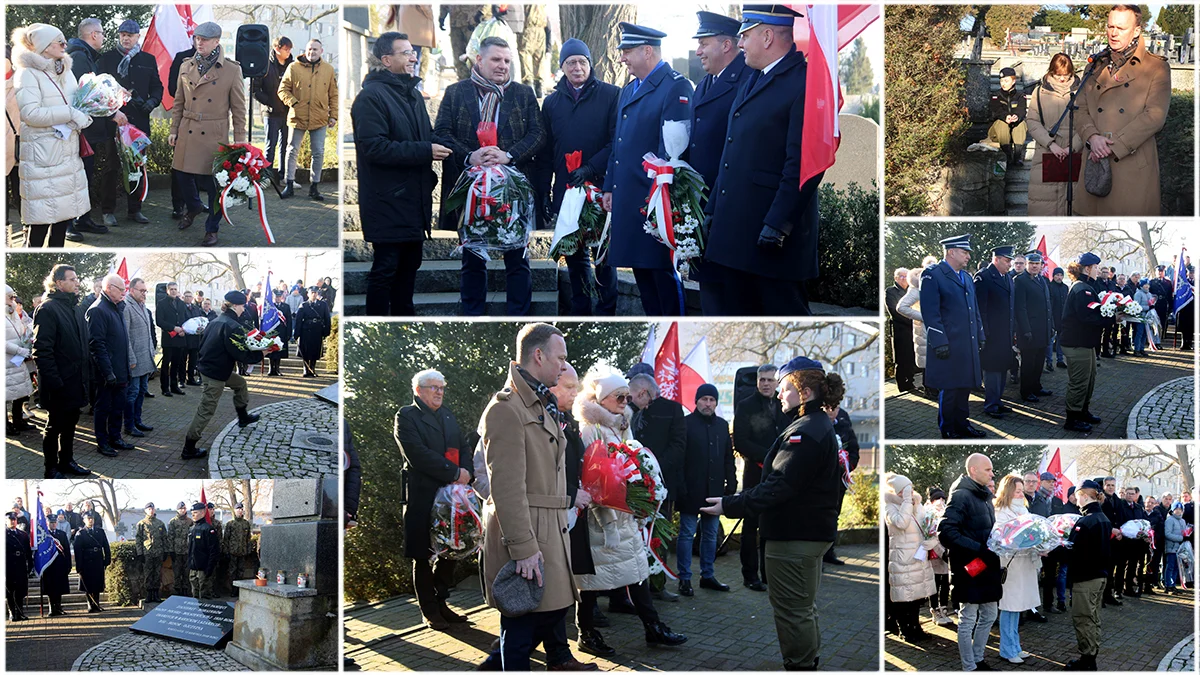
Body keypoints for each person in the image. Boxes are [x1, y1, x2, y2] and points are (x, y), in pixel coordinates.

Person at [701, 356, 844, 670]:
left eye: (784, 388)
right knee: (803, 607)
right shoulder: (812, 423)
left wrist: (730, 504)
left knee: (793, 609)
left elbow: (780, 486)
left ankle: (800, 664)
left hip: (794, 534)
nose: (779, 393)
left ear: (803, 391)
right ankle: (807, 660)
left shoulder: (805, 430)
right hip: (804, 532)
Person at [701, 5, 821, 316]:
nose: (740, 43)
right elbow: (731, 153)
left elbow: (803, 163)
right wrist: (713, 209)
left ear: (767, 36)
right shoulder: (753, 78)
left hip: (770, 239)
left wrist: (778, 223)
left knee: (783, 315)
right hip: (736, 233)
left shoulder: (804, 83)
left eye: (745, 35)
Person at [476, 324, 577, 671]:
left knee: (545, 618)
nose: (564, 366)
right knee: (519, 632)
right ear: (539, 355)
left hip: (548, 529)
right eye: (560, 358)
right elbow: (505, 486)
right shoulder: (506, 408)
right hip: (528, 534)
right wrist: (523, 547)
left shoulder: (537, 401)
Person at [571, 369, 687, 658]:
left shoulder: (621, 425)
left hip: (625, 514)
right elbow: (593, 480)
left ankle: (653, 627)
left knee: (637, 571)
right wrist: (608, 522)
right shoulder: (590, 428)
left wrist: (642, 501)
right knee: (591, 580)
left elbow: (633, 464)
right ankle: (586, 633)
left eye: (627, 395)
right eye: (619, 396)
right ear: (602, 398)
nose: (626, 400)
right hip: (603, 518)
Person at [433, 35, 544, 316]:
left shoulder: (523, 94)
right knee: (472, 258)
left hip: (512, 191)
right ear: (479, 60)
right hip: (471, 190)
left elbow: (538, 133)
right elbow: (442, 132)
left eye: (507, 60)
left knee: (517, 258)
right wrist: (471, 156)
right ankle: (472, 313)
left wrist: (509, 156)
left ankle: (518, 314)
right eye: (496, 59)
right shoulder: (456, 93)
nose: (503, 66)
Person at [352, 32, 448, 316]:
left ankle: (404, 316)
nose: (413, 57)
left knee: (409, 269)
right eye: (405, 53)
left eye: (412, 52)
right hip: (387, 201)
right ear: (386, 60)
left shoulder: (414, 96)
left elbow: (427, 137)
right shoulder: (370, 97)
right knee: (385, 271)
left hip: (414, 201)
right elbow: (374, 147)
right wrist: (425, 151)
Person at [601, 22, 693, 316]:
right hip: (629, 198)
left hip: (655, 201)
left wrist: (662, 199)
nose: (622, 58)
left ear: (647, 51)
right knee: (642, 274)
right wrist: (609, 186)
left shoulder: (675, 85)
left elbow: (674, 149)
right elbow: (618, 144)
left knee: (661, 275)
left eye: (627, 51)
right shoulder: (629, 89)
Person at [536, 37, 619, 315]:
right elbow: (547, 151)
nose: (577, 67)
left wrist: (591, 168)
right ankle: (581, 308)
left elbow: (615, 142)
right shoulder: (551, 103)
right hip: (567, 189)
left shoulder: (611, 95)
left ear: (590, 64)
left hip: (600, 187)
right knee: (575, 254)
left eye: (582, 61)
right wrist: (544, 192)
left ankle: (607, 308)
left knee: (604, 255)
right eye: (571, 62)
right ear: (562, 67)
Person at [394, 368, 473, 631]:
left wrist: (467, 472)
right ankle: (429, 610)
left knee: (451, 548)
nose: (439, 392)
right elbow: (417, 453)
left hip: (452, 496)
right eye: (433, 387)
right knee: (423, 554)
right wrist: (453, 472)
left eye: (442, 387)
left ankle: (442, 602)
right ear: (418, 390)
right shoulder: (406, 415)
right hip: (423, 494)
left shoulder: (448, 416)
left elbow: (463, 445)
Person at [1073, 5, 1170, 217]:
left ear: (1136, 30)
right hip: (1094, 161)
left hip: (1130, 165)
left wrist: (1112, 146)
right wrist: (1092, 137)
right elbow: (1079, 108)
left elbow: (1155, 116)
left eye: (1121, 28)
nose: (1113, 33)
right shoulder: (1094, 66)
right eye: (1110, 26)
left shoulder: (1156, 67)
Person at [13, 23, 96, 246]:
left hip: (67, 153)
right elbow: (30, 114)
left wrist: (88, 112)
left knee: (62, 223)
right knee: (39, 228)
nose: (64, 45)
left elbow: (79, 103)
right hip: (43, 157)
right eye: (59, 41)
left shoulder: (65, 70)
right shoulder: (27, 73)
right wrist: (70, 113)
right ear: (44, 47)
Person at [170, 21, 248, 246]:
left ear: (216, 41)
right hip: (188, 127)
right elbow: (179, 101)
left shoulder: (232, 70)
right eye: (197, 38)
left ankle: (212, 228)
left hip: (214, 133)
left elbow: (239, 108)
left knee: (215, 185)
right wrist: (174, 129)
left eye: (204, 39)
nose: (199, 42)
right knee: (182, 175)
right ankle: (194, 206)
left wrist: (240, 138)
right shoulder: (186, 66)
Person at [546, 363, 599, 671]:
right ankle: (556, 654)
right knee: (552, 588)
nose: (575, 393)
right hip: (552, 512)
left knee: (562, 586)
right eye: (568, 387)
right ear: (552, 385)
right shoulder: (538, 416)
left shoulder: (565, 418)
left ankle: (558, 653)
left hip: (571, 512)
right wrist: (569, 493)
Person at [182, 291, 267, 459]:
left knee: (240, 384)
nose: (244, 309)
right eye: (243, 306)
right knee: (206, 410)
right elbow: (240, 354)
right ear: (235, 306)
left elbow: (203, 345)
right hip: (215, 374)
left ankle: (243, 417)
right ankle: (189, 447)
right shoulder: (231, 325)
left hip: (214, 368)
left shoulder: (216, 321)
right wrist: (262, 354)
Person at [938, 453, 1002, 672]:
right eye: (988, 470)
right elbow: (945, 532)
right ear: (973, 470)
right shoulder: (961, 495)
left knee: (990, 614)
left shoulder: (984, 496)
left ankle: (978, 658)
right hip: (969, 568)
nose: (992, 473)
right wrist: (979, 548)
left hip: (987, 566)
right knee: (968, 619)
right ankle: (969, 666)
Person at [96, 20, 161, 224]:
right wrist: (111, 112)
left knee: (137, 166)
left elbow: (157, 87)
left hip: (139, 124)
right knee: (112, 167)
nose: (126, 38)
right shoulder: (106, 59)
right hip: (114, 122)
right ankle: (108, 210)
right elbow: (98, 89)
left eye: (130, 35)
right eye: (123, 34)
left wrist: (151, 102)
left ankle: (135, 209)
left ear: (137, 37)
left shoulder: (148, 59)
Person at [921, 235, 985, 438]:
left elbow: (974, 309)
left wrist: (980, 333)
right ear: (951, 252)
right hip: (948, 343)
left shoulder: (966, 277)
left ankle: (962, 424)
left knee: (964, 386)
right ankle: (947, 428)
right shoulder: (933, 275)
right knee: (949, 389)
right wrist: (939, 342)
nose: (968, 256)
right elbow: (930, 313)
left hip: (967, 343)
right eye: (965, 252)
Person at [32, 265, 92, 478]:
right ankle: (51, 468)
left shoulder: (76, 308)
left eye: (77, 279)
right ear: (59, 283)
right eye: (72, 279)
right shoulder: (47, 309)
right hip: (59, 384)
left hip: (76, 381)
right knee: (54, 427)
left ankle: (67, 461)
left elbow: (82, 345)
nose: (77, 282)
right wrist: (56, 382)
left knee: (70, 425)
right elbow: (41, 351)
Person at [68, 17, 126, 236]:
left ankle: (83, 218)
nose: (103, 37)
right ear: (93, 35)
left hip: (88, 131)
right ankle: (69, 224)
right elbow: (85, 97)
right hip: (80, 132)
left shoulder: (85, 56)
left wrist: (116, 98)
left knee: (86, 176)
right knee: (77, 177)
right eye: (101, 33)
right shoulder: (79, 57)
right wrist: (112, 110)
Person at [677, 383, 736, 595]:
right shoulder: (685, 424)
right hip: (690, 490)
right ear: (696, 401)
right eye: (704, 399)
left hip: (714, 490)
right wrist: (681, 487)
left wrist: (732, 481)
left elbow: (729, 457)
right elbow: (680, 459)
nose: (708, 404)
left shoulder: (722, 425)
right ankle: (684, 578)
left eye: (712, 400)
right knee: (686, 534)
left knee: (711, 535)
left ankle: (707, 575)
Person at [732, 364, 784, 592]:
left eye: (770, 380)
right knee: (750, 525)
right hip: (755, 472)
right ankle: (750, 575)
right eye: (762, 379)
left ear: (777, 383)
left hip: (779, 474)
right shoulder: (745, 406)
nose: (765, 383)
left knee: (772, 525)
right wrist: (768, 457)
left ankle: (768, 574)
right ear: (757, 382)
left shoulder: (784, 406)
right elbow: (740, 441)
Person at [688, 12, 748, 192]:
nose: (698, 52)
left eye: (703, 44)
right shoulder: (704, 84)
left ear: (726, 45)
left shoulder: (748, 80)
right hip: (701, 195)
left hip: (728, 192)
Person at [1061, 254, 1117, 432]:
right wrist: (1112, 318)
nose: (1098, 270)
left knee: (1089, 378)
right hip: (1077, 343)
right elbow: (1088, 318)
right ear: (1086, 269)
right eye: (1095, 267)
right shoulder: (1082, 289)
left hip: (1085, 343)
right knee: (1079, 381)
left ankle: (1082, 411)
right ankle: (1072, 418)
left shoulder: (1086, 287)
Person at [278, 39, 336, 201]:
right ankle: (289, 183)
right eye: (310, 49)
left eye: (315, 49)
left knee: (318, 152)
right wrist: (293, 103)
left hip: (320, 117)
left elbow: (334, 94)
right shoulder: (293, 67)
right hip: (298, 116)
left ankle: (314, 187)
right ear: (305, 50)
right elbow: (283, 90)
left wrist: (333, 115)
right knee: (292, 150)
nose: (312, 52)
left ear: (321, 51)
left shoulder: (328, 70)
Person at [1024, 54, 1082, 216]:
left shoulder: (1082, 92)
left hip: (1075, 154)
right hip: (1046, 153)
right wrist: (1051, 144)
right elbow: (1033, 122)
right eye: (1058, 75)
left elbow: (1087, 122)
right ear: (1051, 72)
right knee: (1044, 205)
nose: (1062, 79)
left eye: (1066, 75)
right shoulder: (1039, 93)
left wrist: (1074, 146)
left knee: (1073, 204)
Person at [1063, 480, 1111, 670]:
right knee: (1093, 617)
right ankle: (1091, 655)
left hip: (1086, 577)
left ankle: (1087, 660)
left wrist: (1051, 550)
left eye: (1077, 495)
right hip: (1099, 575)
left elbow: (1073, 550)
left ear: (1083, 495)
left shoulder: (1087, 520)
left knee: (1084, 619)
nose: (1075, 499)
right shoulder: (1102, 518)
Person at [993, 474, 1041, 664]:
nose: (1022, 494)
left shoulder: (1023, 510)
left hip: (1025, 563)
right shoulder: (1001, 511)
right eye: (1018, 491)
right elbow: (1001, 538)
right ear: (1008, 491)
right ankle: (1006, 649)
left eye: (1022, 491)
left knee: (1018, 607)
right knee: (1009, 607)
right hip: (1011, 564)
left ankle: (1015, 646)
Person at [86, 274, 133, 458]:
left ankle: (115, 437)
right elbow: (97, 345)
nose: (124, 293)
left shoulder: (116, 307)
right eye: (121, 289)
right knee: (103, 407)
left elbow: (120, 340)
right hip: (107, 372)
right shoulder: (98, 310)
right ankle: (102, 442)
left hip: (120, 369)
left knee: (118, 406)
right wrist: (108, 373)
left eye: (124, 289)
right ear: (109, 288)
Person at [885, 473, 935, 643]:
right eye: (907, 490)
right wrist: (907, 502)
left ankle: (916, 626)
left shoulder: (917, 505)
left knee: (917, 596)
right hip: (902, 559)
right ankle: (904, 629)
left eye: (912, 489)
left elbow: (925, 525)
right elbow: (901, 523)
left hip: (918, 557)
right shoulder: (889, 507)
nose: (911, 493)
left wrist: (932, 537)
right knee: (903, 598)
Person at [973, 246, 1014, 419]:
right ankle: (990, 404)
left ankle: (998, 401)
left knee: (1003, 367)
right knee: (992, 370)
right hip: (991, 333)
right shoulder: (984, 277)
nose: (1009, 264)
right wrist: (984, 333)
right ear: (996, 259)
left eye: (1010, 261)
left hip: (1005, 332)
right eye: (1007, 261)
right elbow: (980, 309)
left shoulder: (1008, 278)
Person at [1013, 251, 1054, 402]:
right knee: (1028, 364)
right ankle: (1026, 391)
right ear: (1026, 264)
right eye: (1031, 264)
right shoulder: (1020, 280)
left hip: (1043, 330)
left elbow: (1048, 306)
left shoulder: (1043, 280)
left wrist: (1051, 326)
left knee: (1039, 362)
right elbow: (1020, 308)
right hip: (1029, 331)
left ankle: (1036, 386)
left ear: (1041, 265)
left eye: (1037, 264)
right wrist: (1026, 330)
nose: (1034, 266)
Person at [254, 36, 293, 183]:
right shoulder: (265, 65)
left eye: (290, 49)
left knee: (286, 146)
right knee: (271, 145)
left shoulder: (292, 66)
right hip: (270, 113)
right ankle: (266, 177)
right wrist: (270, 103)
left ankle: (284, 176)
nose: (288, 52)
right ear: (277, 48)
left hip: (288, 113)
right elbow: (255, 90)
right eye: (286, 49)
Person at [121, 278, 155, 439]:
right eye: (141, 291)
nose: (144, 294)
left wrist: (152, 351)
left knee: (141, 391)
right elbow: (125, 336)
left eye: (145, 291)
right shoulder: (127, 306)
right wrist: (130, 358)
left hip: (145, 357)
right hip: (135, 360)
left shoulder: (142, 306)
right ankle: (129, 425)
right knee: (132, 393)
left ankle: (137, 420)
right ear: (131, 290)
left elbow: (148, 333)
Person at [6, 286, 35, 435]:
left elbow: (22, 331)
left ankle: (18, 421)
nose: (13, 301)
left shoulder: (14, 315)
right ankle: (5, 425)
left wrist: (28, 339)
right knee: (5, 396)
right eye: (10, 297)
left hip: (18, 361)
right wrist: (19, 350)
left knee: (20, 392)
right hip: (6, 362)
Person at [988, 67, 1027, 167]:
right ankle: (1007, 156)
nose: (1003, 83)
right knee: (1002, 123)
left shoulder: (1020, 96)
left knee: (1021, 124)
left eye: (1006, 80)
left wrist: (1016, 117)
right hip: (997, 132)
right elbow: (996, 111)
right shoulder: (995, 96)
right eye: (1001, 81)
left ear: (1013, 81)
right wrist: (1005, 117)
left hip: (1014, 130)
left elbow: (1022, 110)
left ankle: (1017, 156)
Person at [74, 511, 110, 612]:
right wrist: (79, 566)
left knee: (98, 582)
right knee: (88, 583)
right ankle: (90, 604)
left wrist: (107, 559)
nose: (90, 520)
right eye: (88, 519)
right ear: (84, 520)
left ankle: (97, 604)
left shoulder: (100, 531)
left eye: (92, 519)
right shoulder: (81, 533)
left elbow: (106, 546)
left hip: (98, 559)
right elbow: (77, 551)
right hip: (86, 561)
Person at [156, 283, 187, 397]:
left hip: (180, 338)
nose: (173, 291)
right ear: (167, 290)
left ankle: (174, 386)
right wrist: (173, 328)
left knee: (176, 364)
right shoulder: (162, 303)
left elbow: (185, 319)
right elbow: (159, 321)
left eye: (175, 289)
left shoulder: (181, 303)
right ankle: (165, 388)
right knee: (166, 364)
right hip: (168, 339)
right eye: (171, 289)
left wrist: (184, 330)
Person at [887, 268, 916, 392]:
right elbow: (894, 311)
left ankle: (910, 382)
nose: (904, 279)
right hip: (900, 330)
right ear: (896, 278)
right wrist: (913, 320)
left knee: (912, 357)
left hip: (913, 330)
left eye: (906, 276)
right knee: (901, 358)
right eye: (901, 276)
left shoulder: (911, 291)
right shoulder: (890, 291)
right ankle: (902, 386)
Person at [134, 502, 167, 602]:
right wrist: (140, 553)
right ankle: (148, 594)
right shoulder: (141, 524)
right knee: (148, 574)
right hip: (147, 553)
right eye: (149, 509)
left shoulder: (160, 523)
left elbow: (164, 538)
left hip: (158, 552)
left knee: (157, 574)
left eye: (152, 509)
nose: (151, 511)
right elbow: (138, 539)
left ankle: (156, 594)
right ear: (145, 511)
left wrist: (165, 551)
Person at [187, 502, 220, 599]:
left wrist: (209, 568)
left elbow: (214, 551)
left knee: (205, 597)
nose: (193, 515)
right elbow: (190, 549)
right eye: (192, 513)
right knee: (195, 596)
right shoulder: (192, 529)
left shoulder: (208, 529)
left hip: (203, 569)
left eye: (195, 513)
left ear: (202, 513)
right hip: (193, 569)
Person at [296, 288, 331, 377]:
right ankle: (306, 369)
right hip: (306, 330)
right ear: (308, 294)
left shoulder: (323, 305)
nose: (314, 294)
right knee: (306, 350)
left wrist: (326, 331)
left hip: (317, 330)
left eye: (315, 293)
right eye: (312, 293)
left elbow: (327, 318)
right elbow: (299, 320)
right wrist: (297, 333)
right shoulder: (304, 305)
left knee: (315, 350)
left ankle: (312, 369)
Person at [41, 517, 71, 615]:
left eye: (54, 522)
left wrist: (68, 564)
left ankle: (58, 607)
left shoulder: (61, 534)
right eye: (51, 522)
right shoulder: (44, 535)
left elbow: (66, 549)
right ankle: (51, 608)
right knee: (50, 587)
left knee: (59, 587)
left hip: (59, 564)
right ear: (47, 523)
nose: (53, 524)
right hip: (49, 565)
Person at [5, 511, 32, 620]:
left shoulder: (23, 534)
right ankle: (12, 612)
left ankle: (20, 612)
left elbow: (28, 551)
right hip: (8, 566)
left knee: (20, 590)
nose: (13, 521)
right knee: (10, 590)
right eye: (10, 520)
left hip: (20, 565)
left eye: (14, 519)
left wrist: (30, 564)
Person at [223, 503, 252, 588]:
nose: (240, 511)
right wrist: (226, 551)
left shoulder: (246, 524)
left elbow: (248, 538)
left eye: (241, 509)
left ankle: (239, 589)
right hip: (232, 552)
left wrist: (248, 550)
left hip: (242, 552)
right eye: (238, 509)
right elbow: (226, 539)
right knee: (232, 571)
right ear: (234, 511)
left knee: (241, 571)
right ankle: (232, 589)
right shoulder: (230, 524)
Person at [266, 289, 293, 376]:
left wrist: (289, 333)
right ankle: (271, 368)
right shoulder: (270, 306)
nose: (277, 298)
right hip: (272, 331)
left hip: (282, 331)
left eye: (279, 297)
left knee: (279, 350)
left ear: (282, 297)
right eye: (276, 296)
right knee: (271, 350)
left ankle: (277, 368)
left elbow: (289, 321)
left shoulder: (286, 307)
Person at [167, 501, 191, 597]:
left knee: (186, 572)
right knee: (177, 572)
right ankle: (177, 591)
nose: (182, 510)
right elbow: (170, 537)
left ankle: (186, 590)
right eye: (181, 509)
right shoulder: (172, 522)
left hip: (187, 551)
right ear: (177, 510)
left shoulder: (190, 521)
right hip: (176, 551)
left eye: (184, 508)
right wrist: (171, 550)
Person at [1048, 267, 1069, 368]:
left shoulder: (1065, 287)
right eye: (1057, 275)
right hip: (1052, 317)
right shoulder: (1050, 286)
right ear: (1053, 276)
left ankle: (1060, 360)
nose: (1059, 277)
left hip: (1062, 317)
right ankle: (1049, 361)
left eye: (1061, 275)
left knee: (1060, 339)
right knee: (1050, 340)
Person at [1163, 501, 1185, 594]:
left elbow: (1184, 532)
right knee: (1170, 567)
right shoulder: (1170, 520)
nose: (1178, 511)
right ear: (1173, 510)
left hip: (1180, 549)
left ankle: (1173, 585)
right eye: (1176, 509)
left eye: (1180, 509)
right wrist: (1181, 538)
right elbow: (1167, 534)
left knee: (1177, 567)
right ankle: (1168, 585)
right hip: (1171, 547)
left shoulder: (1182, 521)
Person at [181, 291, 202, 386]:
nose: (188, 298)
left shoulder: (196, 308)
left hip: (194, 338)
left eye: (190, 296)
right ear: (183, 297)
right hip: (184, 338)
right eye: (186, 296)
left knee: (193, 360)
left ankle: (191, 378)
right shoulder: (180, 308)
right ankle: (181, 380)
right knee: (182, 360)